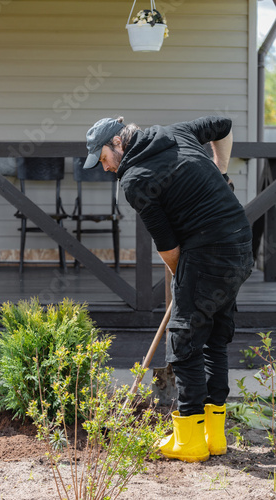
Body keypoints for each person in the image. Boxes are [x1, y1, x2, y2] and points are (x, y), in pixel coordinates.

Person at [83, 115, 254, 463]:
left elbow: (169, 248)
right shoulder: (175, 132)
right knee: (214, 337)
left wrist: (184, 284)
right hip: (240, 245)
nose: (103, 168)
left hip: (207, 251)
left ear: (117, 144)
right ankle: (214, 435)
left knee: (184, 341)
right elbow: (223, 124)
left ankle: (189, 439)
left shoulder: (134, 180)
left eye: (102, 159)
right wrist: (220, 170)